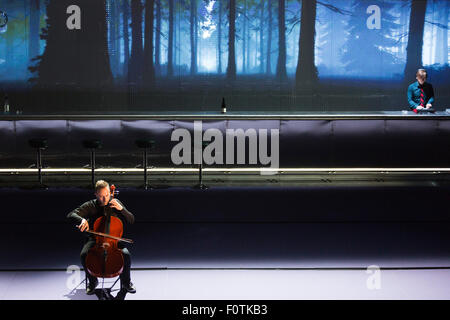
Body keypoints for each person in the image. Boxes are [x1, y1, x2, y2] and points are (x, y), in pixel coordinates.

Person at [67, 180, 136, 295]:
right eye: (101, 196)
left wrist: (122, 210)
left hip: (113, 240)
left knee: (126, 255)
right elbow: (70, 215)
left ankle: (126, 282)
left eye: (107, 195)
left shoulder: (115, 203)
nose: (105, 199)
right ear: (96, 195)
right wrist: (82, 219)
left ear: (110, 192)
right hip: (95, 240)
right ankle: (93, 282)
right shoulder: (91, 205)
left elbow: (131, 219)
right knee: (84, 255)